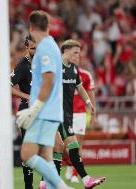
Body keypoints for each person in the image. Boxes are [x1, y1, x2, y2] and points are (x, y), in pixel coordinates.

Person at [16, 10, 69, 189]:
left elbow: (48, 79)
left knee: (27, 154)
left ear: (31, 27)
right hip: (51, 111)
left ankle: (62, 186)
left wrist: (35, 109)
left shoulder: (45, 48)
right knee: (46, 157)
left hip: (45, 112)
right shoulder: (51, 45)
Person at [50, 39, 106, 189]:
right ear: (65, 51)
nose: (77, 56)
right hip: (56, 114)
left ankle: (46, 182)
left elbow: (80, 88)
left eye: (79, 53)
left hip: (67, 114)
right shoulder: (55, 66)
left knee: (58, 148)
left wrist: (88, 103)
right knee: (72, 146)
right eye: (75, 53)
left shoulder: (73, 69)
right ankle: (86, 179)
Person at [65, 49, 96, 183]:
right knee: (66, 146)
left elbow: (91, 95)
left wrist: (93, 114)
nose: (77, 59)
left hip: (80, 114)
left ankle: (74, 174)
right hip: (65, 113)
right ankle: (71, 165)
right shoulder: (64, 72)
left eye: (78, 57)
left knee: (78, 145)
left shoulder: (86, 75)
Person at [11, 35, 37, 189]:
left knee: (53, 147)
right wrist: (27, 96)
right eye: (33, 47)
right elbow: (8, 86)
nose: (36, 50)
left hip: (41, 111)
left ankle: (44, 183)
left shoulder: (41, 65)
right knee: (30, 152)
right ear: (27, 47)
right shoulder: (22, 66)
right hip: (27, 111)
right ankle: (29, 186)